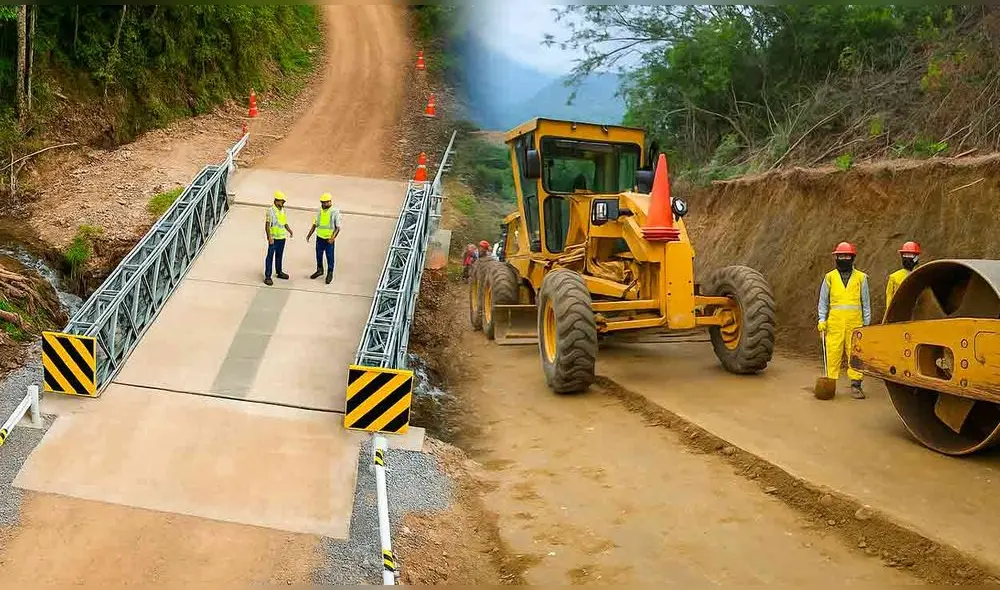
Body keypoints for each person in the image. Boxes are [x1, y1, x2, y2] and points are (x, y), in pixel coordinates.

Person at [817, 242, 872, 399]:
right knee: (832, 353)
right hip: (834, 323)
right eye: (841, 256)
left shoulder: (861, 278)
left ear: (852, 258)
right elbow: (823, 301)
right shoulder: (829, 277)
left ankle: (856, 385)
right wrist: (822, 319)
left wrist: (866, 323)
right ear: (836, 258)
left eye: (847, 256)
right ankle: (830, 385)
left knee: (856, 354)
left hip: (855, 324)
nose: (843, 259)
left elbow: (866, 302)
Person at [306, 193, 342, 284]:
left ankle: (330, 273)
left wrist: (332, 238)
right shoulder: (320, 210)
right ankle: (319, 270)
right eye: (323, 202)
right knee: (318, 255)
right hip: (319, 238)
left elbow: (338, 227)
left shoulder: (334, 211)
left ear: (330, 202)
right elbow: (315, 224)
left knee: (330, 257)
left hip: (329, 239)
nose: (325, 204)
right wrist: (309, 234)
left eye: (326, 202)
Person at [264, 191, 293, 286]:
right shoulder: (270, 211)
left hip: (282, 237)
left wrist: (289, 230)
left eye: (283, 202)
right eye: (281, 201)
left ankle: (279, 271)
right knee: (270, 256)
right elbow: (267, 225)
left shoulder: (283, 210)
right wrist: (269, 237)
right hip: (274, 238)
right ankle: (268, 276)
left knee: (279, 256)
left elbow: (284, 223)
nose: (283, 203)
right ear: (276, 201)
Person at [886, 241, 920, 309]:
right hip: (900, 311)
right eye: (905, 255)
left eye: (910, 255)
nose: (907, 259)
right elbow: (889, 300)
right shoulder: (894, 277)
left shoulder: (920, 275)